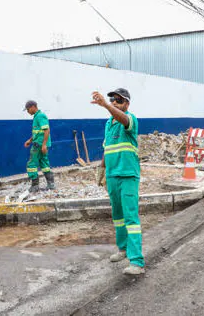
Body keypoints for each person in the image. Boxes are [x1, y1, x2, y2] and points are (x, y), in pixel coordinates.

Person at [92, 88, 145, 275]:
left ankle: (137, 261)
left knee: (131, 217)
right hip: (112, 175)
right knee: (118, 216)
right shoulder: (109, 124)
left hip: (128, 175)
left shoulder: (130, 120)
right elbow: (107, 148)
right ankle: (123, 249)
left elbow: (123, 119)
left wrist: (105, 105)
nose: (115, 102)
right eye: (112, 100)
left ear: (127, 104)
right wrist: (102, 169)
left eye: (119, 100)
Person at [24, 100, 55, 192]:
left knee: (31, 164)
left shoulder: (40, 116)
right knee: (44, 163)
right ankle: (51, 184)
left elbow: (47, 130)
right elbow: (37, 133)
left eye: (28, 109)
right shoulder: (37, 117)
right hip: (40, 144)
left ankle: (35, 185)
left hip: (39, 145)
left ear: (33, 107)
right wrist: (30, 140)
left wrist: (44, 145)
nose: (27, 111)